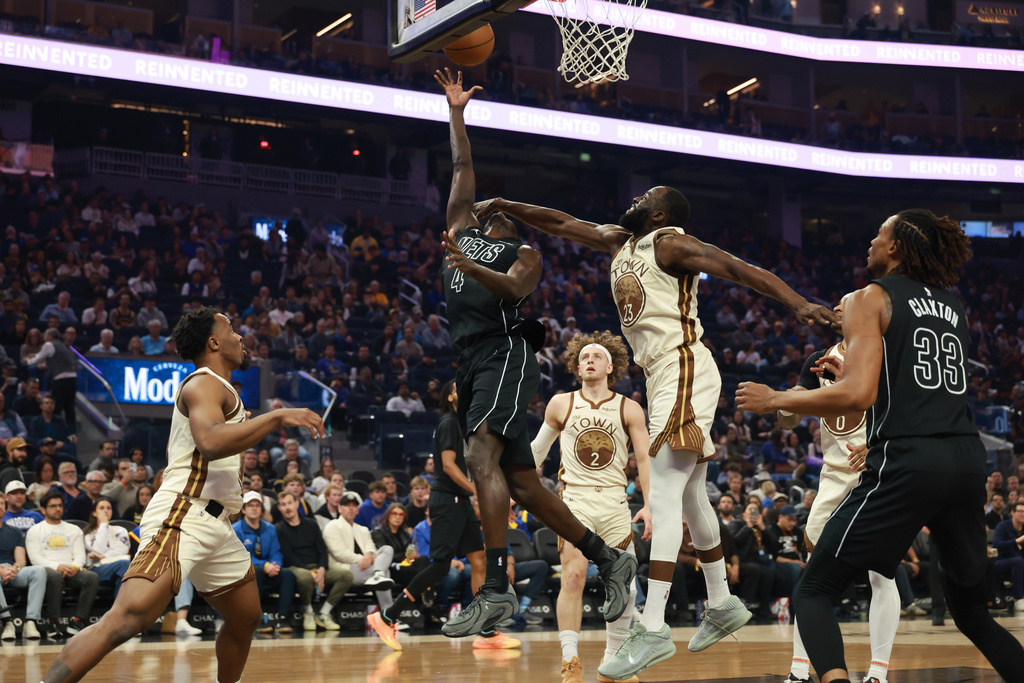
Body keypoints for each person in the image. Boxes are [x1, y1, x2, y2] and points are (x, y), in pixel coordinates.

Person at [475, 190, 833, 675]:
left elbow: (737, 267)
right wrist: (506, 205)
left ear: (660, 213)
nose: (636, 198)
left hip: (681, 363)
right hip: (662, 373)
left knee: (663, 495)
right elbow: (560, 222)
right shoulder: (619, 241)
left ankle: (654, 627)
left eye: (647, 196)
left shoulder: (669, 244)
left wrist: (796, 303)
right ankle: (723, 603)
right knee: (690, 497)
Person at [736, 209, 1024, 683]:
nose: (870, 241)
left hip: (910, 458)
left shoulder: (869, 297)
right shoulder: (954, 305)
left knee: (814, 592)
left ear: (896, 246)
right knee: (974, 615)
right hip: (967, 460)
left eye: (878, 233)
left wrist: (777, 399)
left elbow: (858, 394)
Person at [435, 68, 635, 639]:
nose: (488, 209)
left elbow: (517, 291)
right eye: (486, 207)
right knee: (522, 481)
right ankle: (609, 557)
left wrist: (471, 265)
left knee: (480, 458)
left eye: (500, 208)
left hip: (505, 353)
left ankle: (496, 590)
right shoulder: (458, 223)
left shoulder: (522, 250)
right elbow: (461, 167)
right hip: (471, 362)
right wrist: (456, 113)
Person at [41, 306, 323, 683]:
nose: (240, 337)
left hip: (217, 524)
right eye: (231, 329)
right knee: (128, 618)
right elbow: (210, 442)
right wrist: (275, 417)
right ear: (213, 341)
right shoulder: (203, 382)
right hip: (183, 513)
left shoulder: (220, 389)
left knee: (246, 617)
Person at [773, 294, 902, 683]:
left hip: (878, 470)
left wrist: (880, 445)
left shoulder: (887, 352)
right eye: (838, 309)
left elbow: (902, 409)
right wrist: (783, 403)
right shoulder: (817, 355)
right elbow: (789, 423)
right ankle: (799, 668)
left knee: (882, 573)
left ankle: (878, 672)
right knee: (812, 572)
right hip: (832, 474)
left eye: (850, 307)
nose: (840, 312)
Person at [529, 331, 653, 683]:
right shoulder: (561, 403)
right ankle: (570, 661)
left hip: (615, 499)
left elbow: (643, 458)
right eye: (583, 356)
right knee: (572, 576)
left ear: (610, 365)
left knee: (623, 585)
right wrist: (512, 490)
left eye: (596, 356)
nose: (588, 360)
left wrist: (650, 505)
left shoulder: (629, 407)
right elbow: (537, 451)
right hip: (575, 500)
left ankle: (613, 661)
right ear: (576, 365)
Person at [368, 380, 519, 651]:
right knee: (439, 566)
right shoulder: (449, 422)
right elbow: (449, 467)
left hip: (461, 502)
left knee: (478, 561)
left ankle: (485, 632)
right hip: (447, 501)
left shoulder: (467, 425)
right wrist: (478, 491)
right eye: (461, 389)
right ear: (450, 396)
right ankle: (386, 616)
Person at [276, 489, 353, 631]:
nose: (287, 507)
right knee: (305, 577)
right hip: (296, 567)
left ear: (297, 504)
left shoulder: (311, 523)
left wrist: (322, 570)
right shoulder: (279, 529)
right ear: (279, 508)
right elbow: (288, 556)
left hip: (318, 566)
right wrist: (312, 573)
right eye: (283, 504)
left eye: (290, 503)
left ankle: (324, 612)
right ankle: (309, 612)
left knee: (346, 575)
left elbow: (322, 549)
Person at [26, 492, 100, 636]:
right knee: (55, 576)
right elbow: (35, 559)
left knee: (92, 577)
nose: (58, 509)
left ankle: (78, 621)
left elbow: (80, 556)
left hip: (71, 570)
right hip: (48, 570)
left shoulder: (74, 529)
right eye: (53, 506)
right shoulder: (35, 531)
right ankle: (53, 622)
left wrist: (75, 567)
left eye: (60, 505)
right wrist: (57, 567)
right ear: (43, 510)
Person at [233, 490, 296, 634]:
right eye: (250, 505)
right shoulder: (236, 530)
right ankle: (256, 619)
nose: (254, 508)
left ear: (262, 509)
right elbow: (242, 556)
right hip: (245, 572)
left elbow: (276, 551)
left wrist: (275, 565)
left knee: (288, 574)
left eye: (257, 505)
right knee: (258, 571)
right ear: (243, 509)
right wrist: (265, 565)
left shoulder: (270, 528)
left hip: (269, 570)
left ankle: (282, 618)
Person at [0, 495, 49, 640]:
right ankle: (7, 622)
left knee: (39, 571)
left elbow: (20, 560)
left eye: (2, 503)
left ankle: (31, 623)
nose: (0, 506)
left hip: (11, 571)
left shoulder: (14, 531)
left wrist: (13, 569)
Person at [22, 328, 79, 427]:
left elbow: (39, 358)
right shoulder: (64, 345)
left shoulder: (49, 345)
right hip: (72, 380)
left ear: (51, 336)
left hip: (61, 380)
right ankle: (72, 434)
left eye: (46, 336)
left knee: (55, 407)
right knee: (69, 408)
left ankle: (55, 431)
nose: (44, 338)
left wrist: (27, 360)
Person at [82, 498, 131, 598]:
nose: (106, 511)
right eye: (102, 508)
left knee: (122, 576)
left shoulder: (120, 530)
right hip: (96, 569)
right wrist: (103, 524)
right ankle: (123, 609)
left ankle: (118, 608)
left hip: (118, 567)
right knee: (125, 565)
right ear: (94, 513)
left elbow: (122, 550)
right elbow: (98, 548)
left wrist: (103, 555)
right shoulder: (88, 534)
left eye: (109, 508)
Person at [992, 501, 1024, 612]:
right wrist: (1016, 541)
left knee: (1019, 561)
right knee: (1018, 561)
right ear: (1013, 513)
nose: (1022, 514)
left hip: (1019, 562)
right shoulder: (1003, 526)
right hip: (1001, 562)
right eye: (1019, 511)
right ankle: (1018, 600)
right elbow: (997, 544)